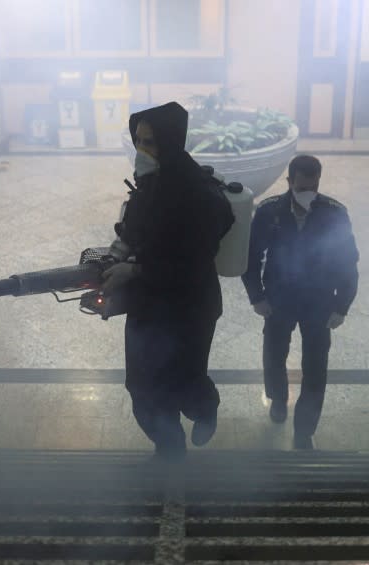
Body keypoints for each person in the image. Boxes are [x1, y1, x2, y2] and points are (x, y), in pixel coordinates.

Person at [101, 102, 234, 460]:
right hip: (148, 308)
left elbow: (192, 264)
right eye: (139, 141)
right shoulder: (149, 184)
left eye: (151, 142)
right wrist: (116, 269)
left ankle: (205, 411)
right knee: (142, 387)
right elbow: (132, 232)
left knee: (185, 379)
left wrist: (138, 270)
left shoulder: (199, 196)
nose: (143, 150)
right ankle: (170, 447)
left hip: (190, 307)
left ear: (171, 142)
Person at [241, 154, 359, 449]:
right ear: (290, 182)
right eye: (302, 187)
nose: (309, 193)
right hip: (279, 298)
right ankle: (278, 400)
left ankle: (305, 429)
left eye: (314, 187)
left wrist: (341, 306)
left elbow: (347, 262)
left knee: (316, 366)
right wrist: (257, 296)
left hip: (319, 300)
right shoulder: (270, 211)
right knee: (274, 355)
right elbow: (250, 257)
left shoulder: (334, 213)